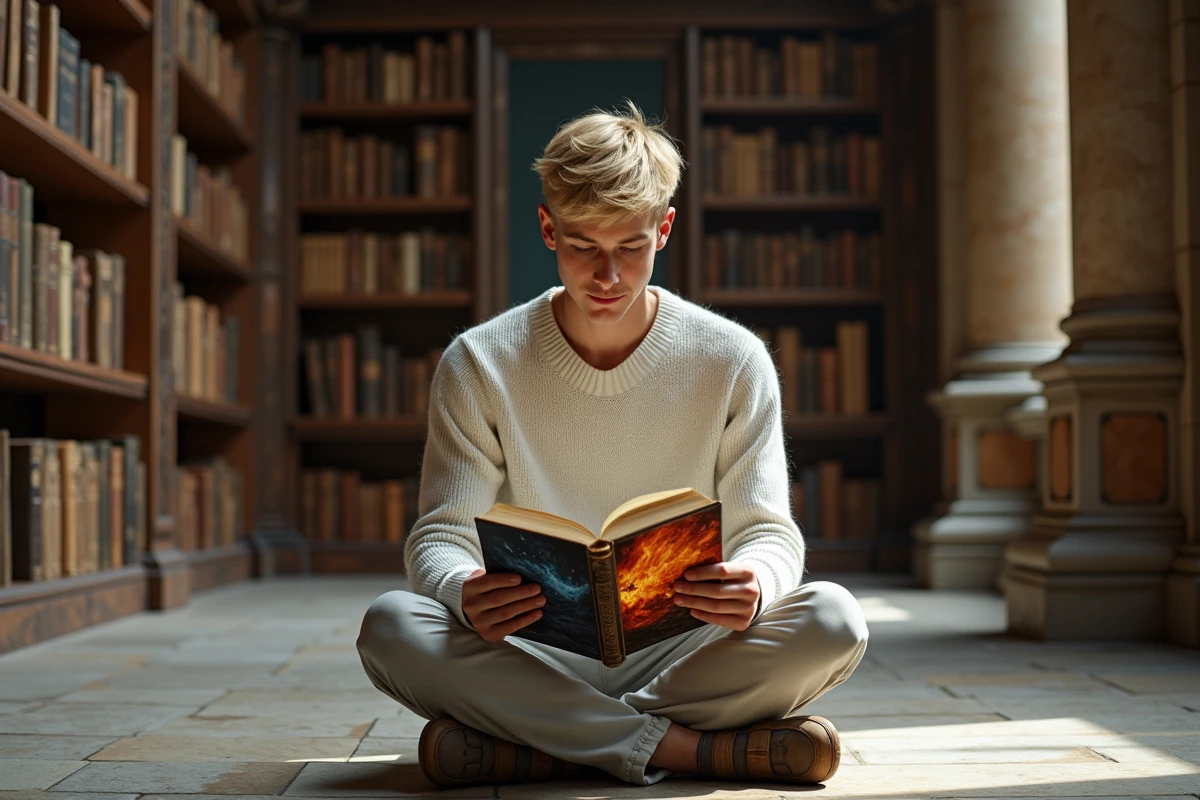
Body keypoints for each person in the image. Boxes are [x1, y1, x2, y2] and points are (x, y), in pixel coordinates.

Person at [356, 100, 869, 789]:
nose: (608, 277)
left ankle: (544, 741)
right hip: (532, 652)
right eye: (583, 247)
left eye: (631, 248)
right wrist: (462, 588)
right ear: (548, 229)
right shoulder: (479, 363)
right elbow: (441, 536)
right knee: (392, 626)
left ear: (665, 229)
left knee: (833, 619)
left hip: (687, 649)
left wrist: (757, 581)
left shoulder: (732, 359)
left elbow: (769, 533)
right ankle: (686, 749)